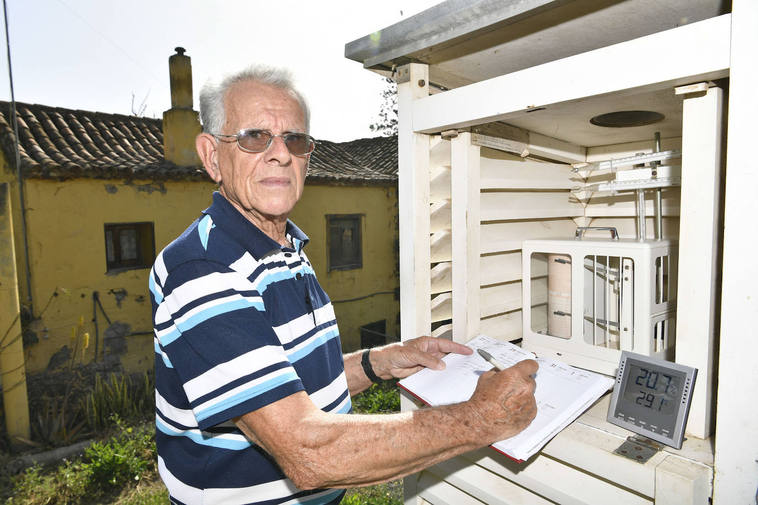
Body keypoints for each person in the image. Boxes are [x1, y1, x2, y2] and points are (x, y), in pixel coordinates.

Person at [149, 65, 538, 505]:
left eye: (295, 140)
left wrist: (382, 362)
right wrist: (482, 418)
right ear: (212, 156)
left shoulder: (284, 245)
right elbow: (308, 451)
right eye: (254, 137)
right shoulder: (204, 268)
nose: (280, 154)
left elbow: (293, 387)